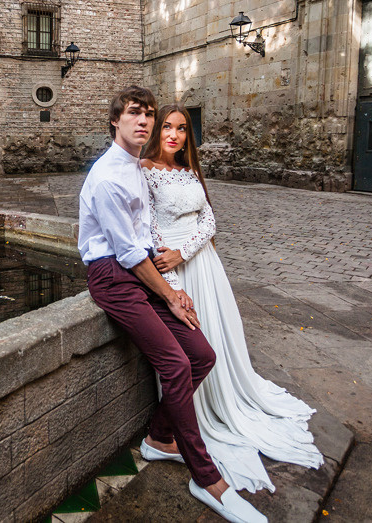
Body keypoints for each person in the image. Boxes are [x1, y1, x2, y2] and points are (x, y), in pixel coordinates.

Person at [78, 86, 266, 523]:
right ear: (115, 121)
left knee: (202, 354)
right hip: (113, 277)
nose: (143, 122)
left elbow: (149, 237)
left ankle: (160, 438)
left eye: (148, 115)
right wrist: (171, 293)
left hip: (144, 271)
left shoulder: (136, 169)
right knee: (177, 364)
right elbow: (127, 253)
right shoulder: (108, 176)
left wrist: (171, 283)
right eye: (134, 115)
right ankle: (208, 479)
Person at [139, 103, 324, 493]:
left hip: (203, 263)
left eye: (183, 128)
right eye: (168, 127)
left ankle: (223, 401)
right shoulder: (145, 173)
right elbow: (150, 230)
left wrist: (185, 250)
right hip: (173, 271)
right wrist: (170, 277)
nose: (174, 134)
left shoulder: (189, 171)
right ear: (157, 131)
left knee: (219, 336)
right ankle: (180, 421)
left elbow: (209, 220)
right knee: (192, 338)